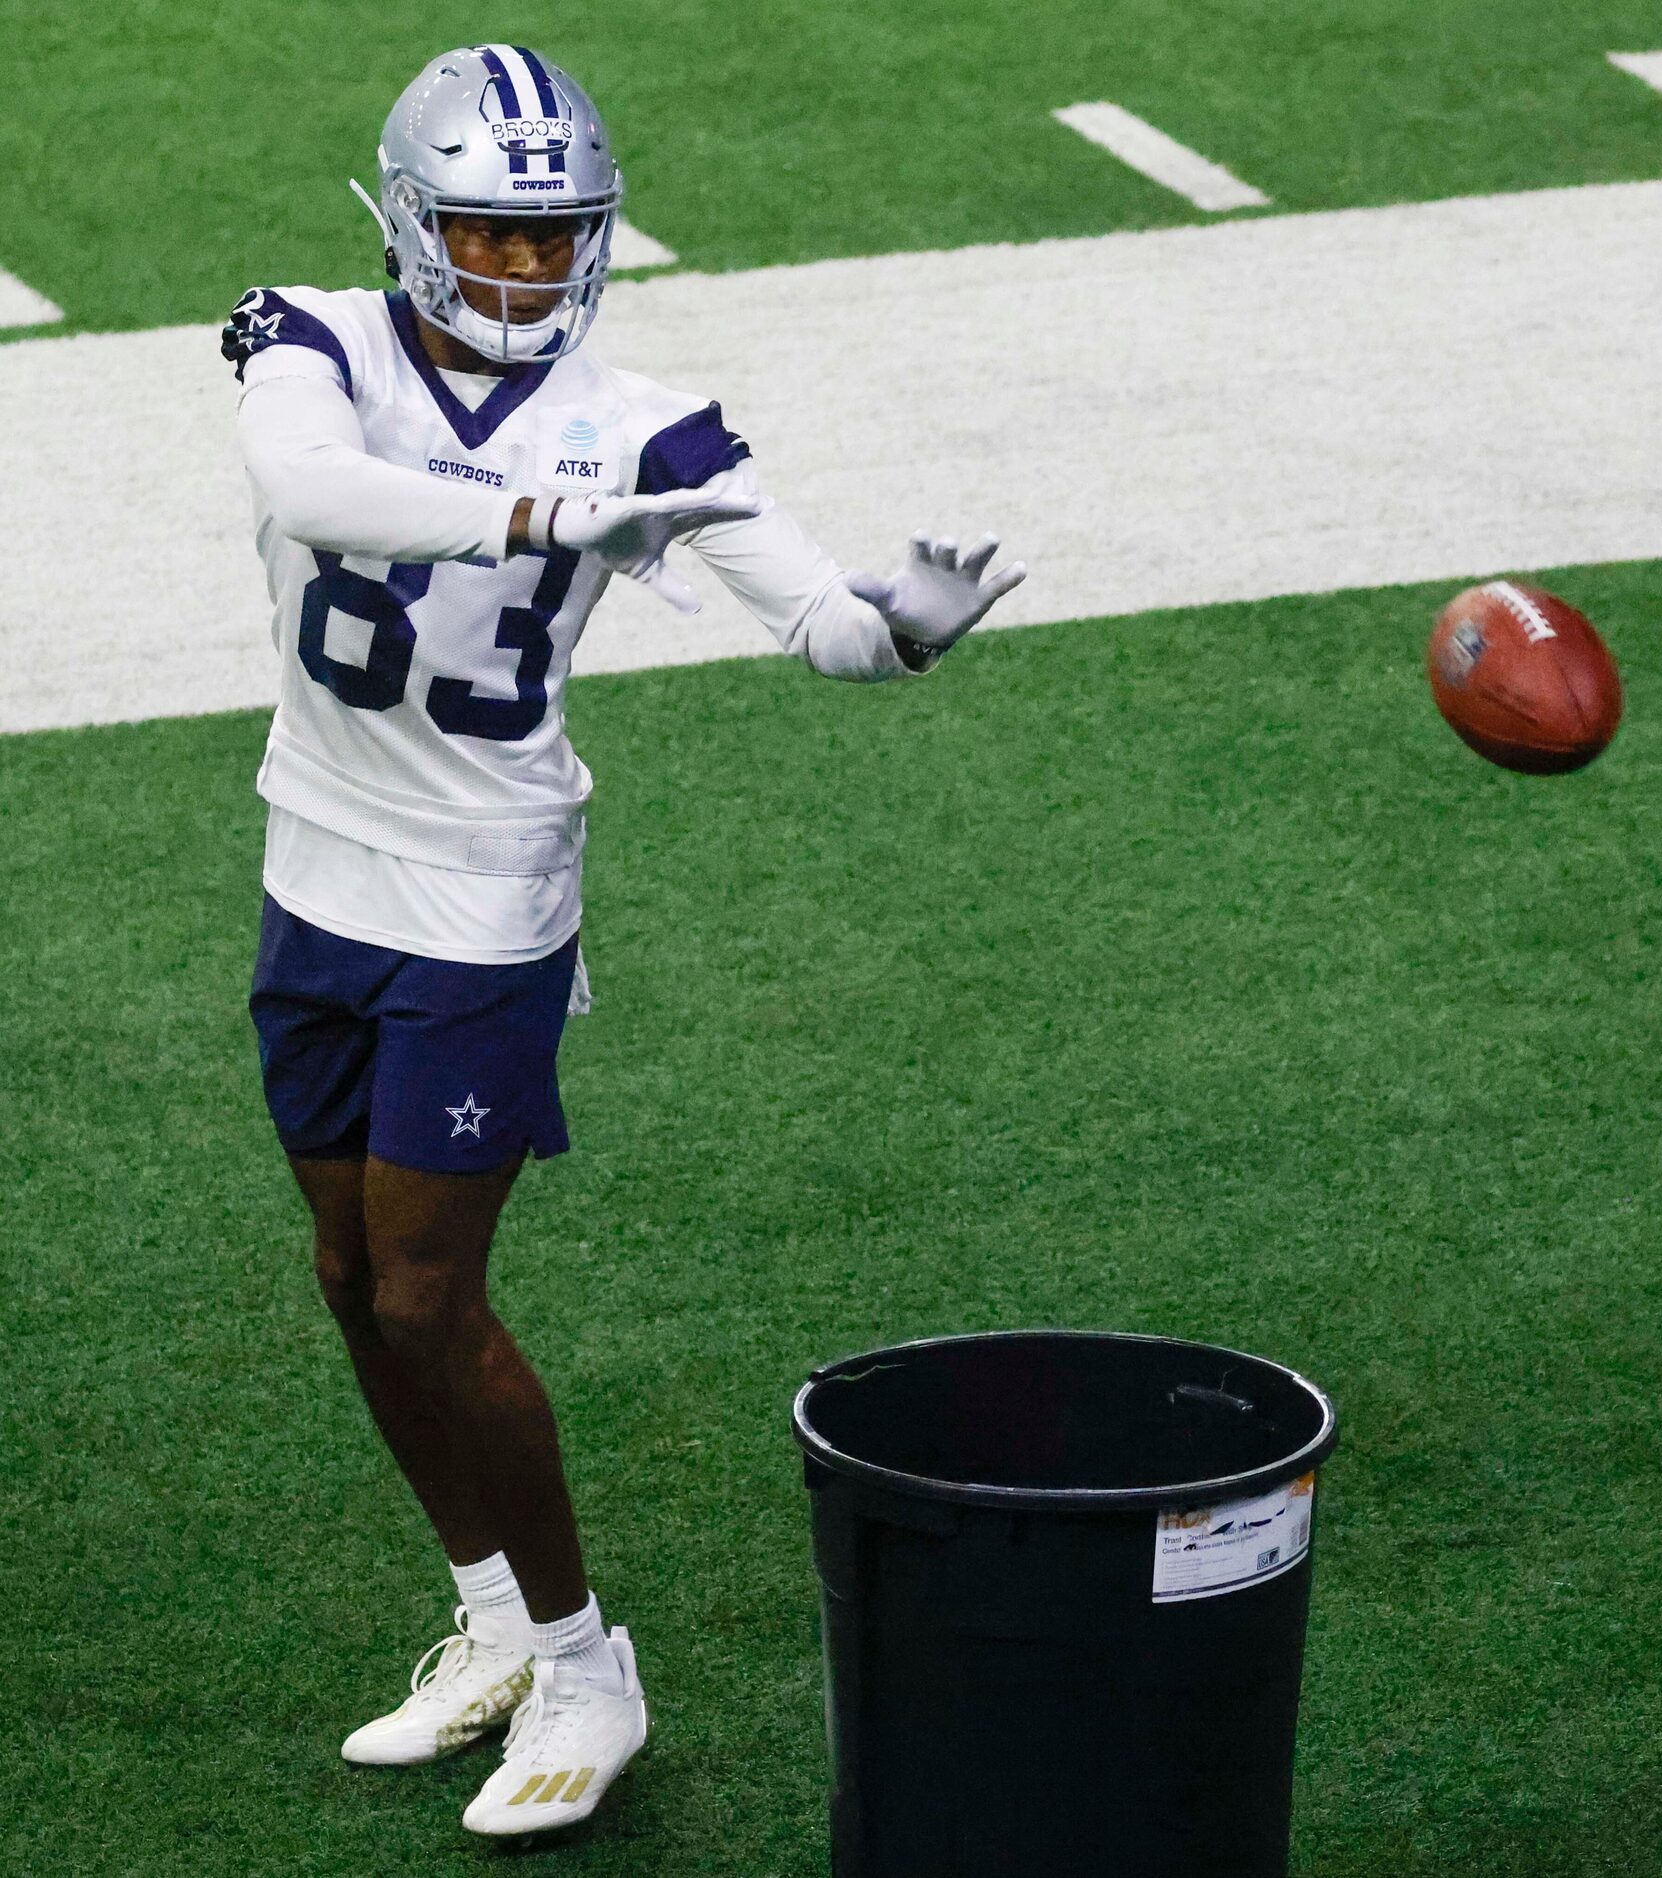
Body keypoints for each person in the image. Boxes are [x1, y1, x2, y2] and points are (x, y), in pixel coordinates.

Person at [222, 41, 1024, 1842]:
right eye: (492, 238)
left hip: (486, 893)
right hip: (314, 863)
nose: (526, 272)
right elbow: (313, 496)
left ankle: (591, 1661)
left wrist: (897, 627)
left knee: (432, 1291)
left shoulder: (641, 417)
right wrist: (547, 515)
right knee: (350, 1283)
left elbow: (805, 610)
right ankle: (495, 1616)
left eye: (554, 237)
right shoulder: (310, 341)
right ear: (413, 224)